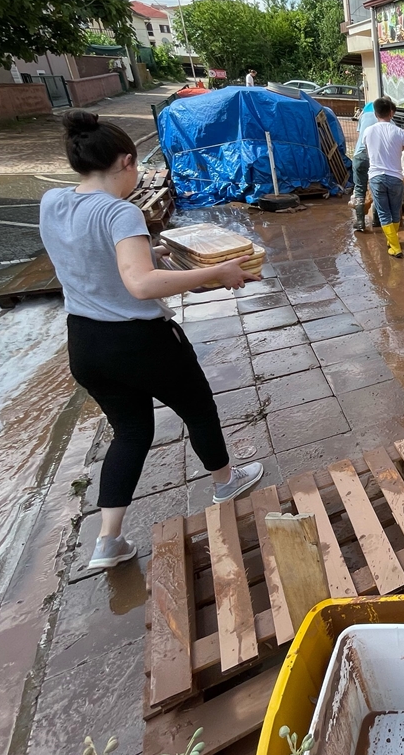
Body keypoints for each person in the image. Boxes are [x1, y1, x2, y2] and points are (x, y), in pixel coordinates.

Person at [39, 110, 264, 570]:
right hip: (140, 342)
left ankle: (108, 541)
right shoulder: (120, 212)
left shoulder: (52, 203)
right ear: (125, 161)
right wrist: (219, 273)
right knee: (197, 407)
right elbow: (140, 284)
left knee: (132, 431)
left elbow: (89, 257)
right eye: (136, 166)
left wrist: (155, 250)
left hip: (85, 343)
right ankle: (225, 480)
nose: (138, 175)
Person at [363, 97, 404, 258]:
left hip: (376, 177)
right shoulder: (399, 132)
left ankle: (394, 245)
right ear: (391, 113)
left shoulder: (368, 131)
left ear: (375, 112)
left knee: (384, 212)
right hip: (395, 178)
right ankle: (393, 243)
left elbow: (368, 153)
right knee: (394, 212)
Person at [350, 98, 380, 232]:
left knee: (360, 189)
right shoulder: (388, 120)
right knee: (377, 188)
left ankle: (360, 221)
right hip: (375, 157)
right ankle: (377, 220)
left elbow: (359, 133)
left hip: (360, 156)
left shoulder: (365, 115)